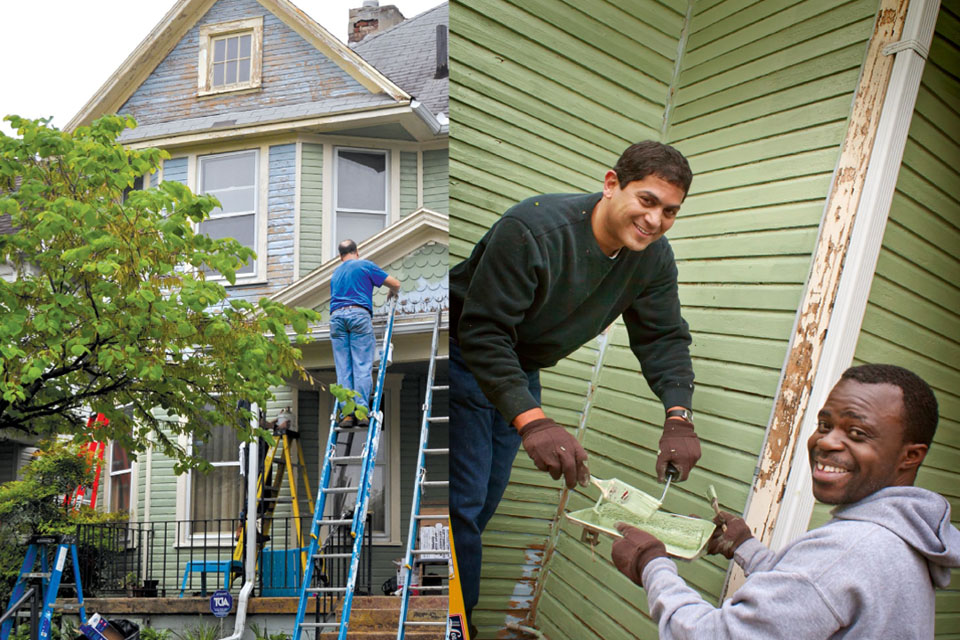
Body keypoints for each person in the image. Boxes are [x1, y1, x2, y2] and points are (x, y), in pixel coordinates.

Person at [450, 141, 701, 627]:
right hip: (461, 351)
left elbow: (663, 336)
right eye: (646, 201)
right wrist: (534, 421)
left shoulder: (652, 259)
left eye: (670, 212)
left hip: (518, 365)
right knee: (459, 507)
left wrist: (679, 416)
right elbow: (482, 331)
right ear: (612, 185)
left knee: (479, 505)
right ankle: (455, 624)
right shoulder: (533, 229)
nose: (655, 220)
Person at [612, 363, 960, 639]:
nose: (826, 443)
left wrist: (652, 563)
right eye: (824, 425)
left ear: (909, 456)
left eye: (856, 433)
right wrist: (746, 547)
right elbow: (812, 595)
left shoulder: (848, 550)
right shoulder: (905, 537)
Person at [329, 239, 400, 427]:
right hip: (358, 315)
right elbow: (396, 283)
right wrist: (391, 293)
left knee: (344, 368)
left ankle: (346, 415)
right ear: (357, 251)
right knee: (361, 364)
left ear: (340, 256)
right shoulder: (364, 265)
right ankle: (361, 413)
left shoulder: (335, 274)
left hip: (336, 318)